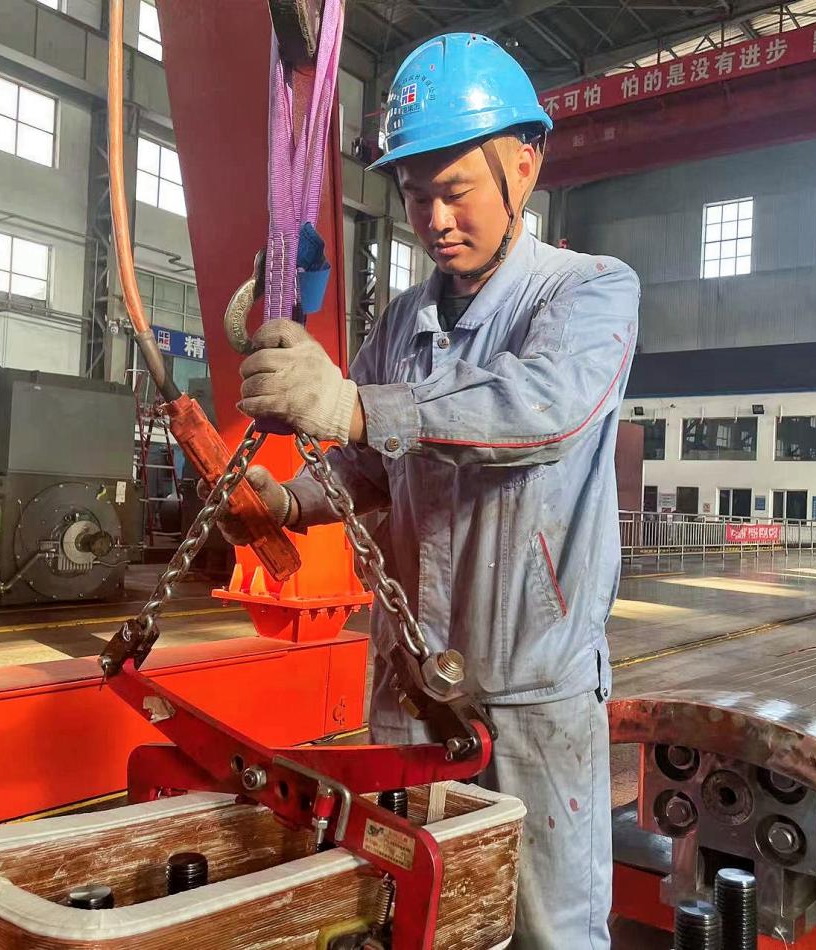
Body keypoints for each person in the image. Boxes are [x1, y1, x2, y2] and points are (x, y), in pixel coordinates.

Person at [223, 32, 639, 949]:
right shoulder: (405, 321)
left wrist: (352, 404)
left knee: (550, 930)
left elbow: (542, 410)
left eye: (456, 191)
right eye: (418, 197)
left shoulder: (588, 292)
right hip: (411, 687)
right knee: (414, 915)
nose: (438, 219)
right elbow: (370, 466)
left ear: (523, 166)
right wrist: (286, 501)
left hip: (530, 693)